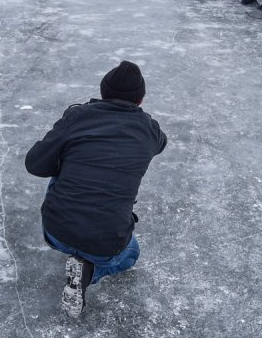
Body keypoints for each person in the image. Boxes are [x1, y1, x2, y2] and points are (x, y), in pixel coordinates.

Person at [25, 61, 167, 318]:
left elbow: (35, 164)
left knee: (63, 164)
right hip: (107, 242)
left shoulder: (78, 117)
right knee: (130, 255)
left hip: (56, 230)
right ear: (141, 100)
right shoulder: (150, 131)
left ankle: (78, 257)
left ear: (102, 93)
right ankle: (91, 271)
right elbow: (161, 143)